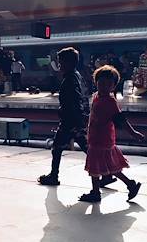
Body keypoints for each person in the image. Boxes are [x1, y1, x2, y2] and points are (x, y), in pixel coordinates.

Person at [38, 47, 114, 187]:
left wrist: (71, 118)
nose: (59, 65)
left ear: (68, 63)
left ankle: (54, 176)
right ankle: (107, 174)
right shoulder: (77, 76)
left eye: (61, 62)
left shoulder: (69, 79)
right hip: (78, 119)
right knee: (88, 149)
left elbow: (74, 101)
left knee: (57, 148)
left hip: (70, 120)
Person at [79, 65, 144, 203]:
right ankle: (130, 184)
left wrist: (133, 133)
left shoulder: (110, 102)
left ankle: (96, 192)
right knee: (111, 167)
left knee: (96, 166)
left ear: (113, 86)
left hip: (102, 140)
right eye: (101, 83)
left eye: (108, 84)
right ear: (96, 82)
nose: (104, 87)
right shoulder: (96, 97)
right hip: (96, 138)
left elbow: (121, 120)